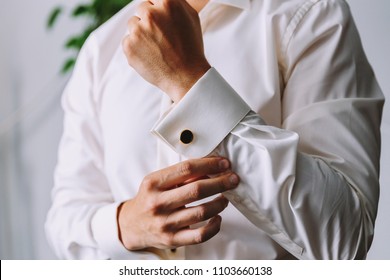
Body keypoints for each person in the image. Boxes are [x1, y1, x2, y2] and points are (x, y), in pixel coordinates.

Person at [45, 0, 384, 259]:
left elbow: (347, 239)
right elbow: (65, 219)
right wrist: (123, 226)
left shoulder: (310, 15)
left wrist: (189, 82)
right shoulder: (100, 51)